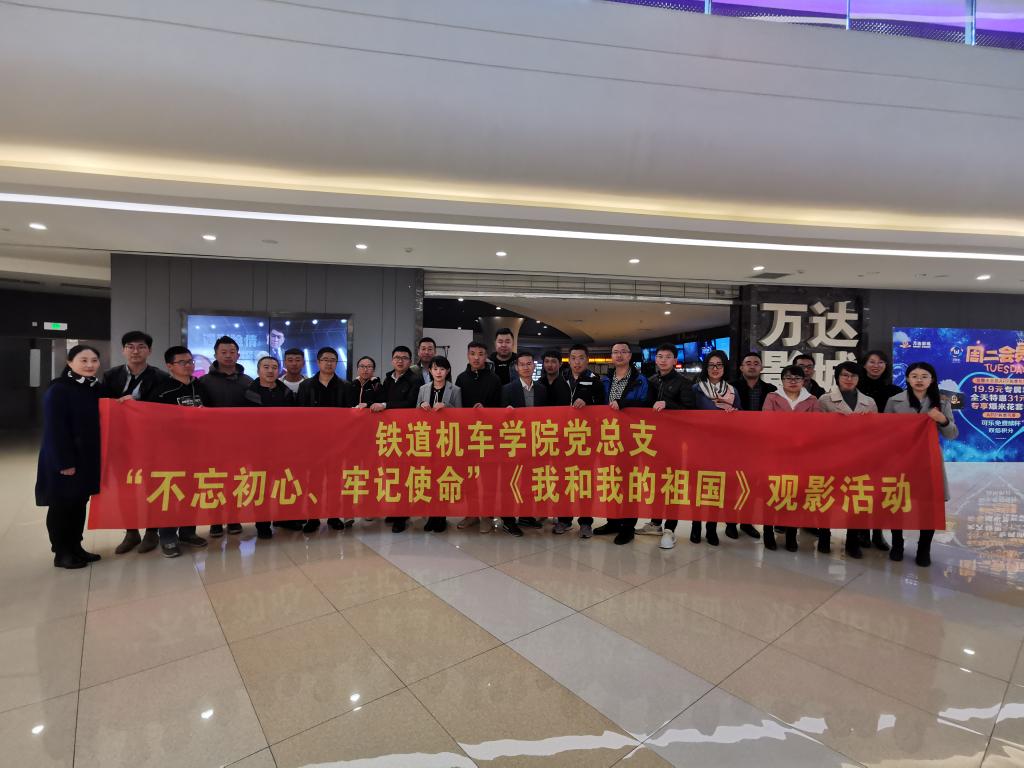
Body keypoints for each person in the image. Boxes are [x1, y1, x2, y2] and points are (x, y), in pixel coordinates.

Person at [36, 345, 105, 569]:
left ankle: (76, 546)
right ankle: (61, 552)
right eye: (83, 360)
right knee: (61, 505)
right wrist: (64, 462)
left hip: (86, 459)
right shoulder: (59, 389)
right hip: (63, 459)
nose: (90, 365)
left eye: (94, 360)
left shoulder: (94, 387)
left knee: (78, 503)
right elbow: (54, 429)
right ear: (69, 362)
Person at [101, 330, 170, 555]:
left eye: (141, 347)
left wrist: (137, 404)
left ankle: (152, 532)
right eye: (130, 346)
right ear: (123, 350)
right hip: (121, 441)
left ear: (149, 351)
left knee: (152, 486)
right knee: (125, 487)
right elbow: (104, 405)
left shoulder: (161, 377)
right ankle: (131, 532)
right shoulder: (111, 376)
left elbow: (162, 409)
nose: (135, 351)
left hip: (151, 442)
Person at [884, 362, 958, 567]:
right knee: (898, 501)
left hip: (928, 460)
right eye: (914, 376)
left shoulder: (941, 403)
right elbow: (884, 432)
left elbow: (952, 434)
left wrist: (942, 420)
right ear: (907, 379)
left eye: (924, 376)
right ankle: (897, 545)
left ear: (932, 380)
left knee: (928, 504)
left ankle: (924, 549)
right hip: (901, 459)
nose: (919, 380)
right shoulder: (894, 401)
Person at [147, 347, 209, 557]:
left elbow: (214, 415)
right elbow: (152, 421)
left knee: (192, 492)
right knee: (170, 493)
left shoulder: (201, 387)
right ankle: (167, 537)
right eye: (182, 362)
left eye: (190, 361)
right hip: (170, 452)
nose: (188, 365)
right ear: (170, 366)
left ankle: (188, 532)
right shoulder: (161, 391)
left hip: (197, 450)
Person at [634, 343, 697, 549]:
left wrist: (668, 405)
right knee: (656, 484)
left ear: (675, 360)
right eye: (660, 356)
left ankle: (670, 528)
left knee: (671, 485)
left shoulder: (684, 383)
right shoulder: (651, 380)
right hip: (652, 442)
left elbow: (690, 412)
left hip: (674, 444)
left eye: (668, 357)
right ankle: (655, 523)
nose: (663, 360)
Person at [816, 361, 877, 559]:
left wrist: (866, 422)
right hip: (831, 457)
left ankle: (852, 540)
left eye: (853, 376)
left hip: (859, 458)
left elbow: (877, 433)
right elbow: (815, 430)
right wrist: (833, 422)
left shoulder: (869, 402)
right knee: (827, 497)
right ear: (838, 377)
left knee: (854, 498)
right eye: (845, 375)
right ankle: (824, 536)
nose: (849, 379)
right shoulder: (825, 400)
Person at [594, 342, 650, 545]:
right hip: (609, 437)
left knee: (628, 483)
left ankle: (628, 527)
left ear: (630, 356)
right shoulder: (605, 380)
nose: (619, 355)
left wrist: (623, 403)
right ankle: (613, 521)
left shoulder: (640, 380)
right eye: (615, 352)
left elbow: (645, 404)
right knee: (610, 479)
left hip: (631, 439)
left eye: (623, 352)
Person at [687, 350, 745, 546]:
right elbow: (687, 416)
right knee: (697, 488)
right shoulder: (696, 389)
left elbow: (741, 418)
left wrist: (734, 413)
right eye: (711, 365)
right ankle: (696, 527)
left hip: (722, 448)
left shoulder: (732, 391)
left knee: (715, 487)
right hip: (699, 446)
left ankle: (711, 528)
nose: (715, 368)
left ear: (724, 367)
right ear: (706, 367)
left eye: (719, 365)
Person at [761, 365, 819, 552]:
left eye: (797, 378)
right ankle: (768, 532)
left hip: (801, 456)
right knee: (772, 493)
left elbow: (816, 427)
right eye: (788, 378)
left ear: (804, 381)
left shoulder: (812, 400)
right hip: (775, 454)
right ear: (782, 380)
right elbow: (767, 423)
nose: (793, 381)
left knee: (794, 494)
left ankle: (792, 534)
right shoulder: (772, 397)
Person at [201, 336, 255, 537]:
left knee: (235, 481)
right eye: (223, 352)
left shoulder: (248, 381)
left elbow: (256, 413)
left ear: (238, 355)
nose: (228, 356)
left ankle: (233, 518)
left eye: (232, 352)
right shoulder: (204, 382)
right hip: (212, 443)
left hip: (239, 443)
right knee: (214, 481)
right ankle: (215, 521)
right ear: (215, 355)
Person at [851, 349, 903, 552]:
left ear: (886, 366)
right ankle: (861, 530)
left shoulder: (895, 391)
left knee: (881, 490)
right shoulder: (854, 387)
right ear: (864, 364)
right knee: (861, 488)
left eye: (881, 362)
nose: (876, 365)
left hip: (885, 448)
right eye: (872, 362)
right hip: (859, 448)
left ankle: (878, 532)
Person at [553, 344, 606, 538]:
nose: (577, 362)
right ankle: (564, 519)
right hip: (562, 440)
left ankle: (585, 522)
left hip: (585, 440)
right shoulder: (560, 380)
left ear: (587, 360)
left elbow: (603, 408)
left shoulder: (596, 381)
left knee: (585, 481)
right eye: (573, 358)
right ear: (569, 360)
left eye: (581, 358)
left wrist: (588, 403)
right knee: (563, 480)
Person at [297, 347, 350, 532]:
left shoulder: (345, 386)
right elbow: (299, 415)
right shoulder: (306, 386)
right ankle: (313, 517)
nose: (329, 363)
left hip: (337, 443)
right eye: (325, 359)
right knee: (314, 481)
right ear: (318, 362)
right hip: (313, 443)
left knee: (335, 480)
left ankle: (334, 516)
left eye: (333, 360)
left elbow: (349, 415)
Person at [245, 356, 297, 537]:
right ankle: (262, 524)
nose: (270, 370)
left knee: (284, 483)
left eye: (274, 367)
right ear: (258, 370)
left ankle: (284, 518)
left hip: (283, 447)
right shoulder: (249, 393)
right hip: (258, 448)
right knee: (262, 486)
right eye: (266, 367)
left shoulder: (286, 392)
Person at [499, 351, 549, 536]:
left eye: (529, 364)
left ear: (534, 366)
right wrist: (505, 412)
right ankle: (508, 520)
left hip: (534, 443)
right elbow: (499, 418)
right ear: (516, 367)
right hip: (514, 443)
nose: (526, 367)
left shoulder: (542, 389)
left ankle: (526, 516)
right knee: (511, 482)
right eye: (522, 364)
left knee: (529, 482)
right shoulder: (507, 389)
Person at [454, 342, 503, 532]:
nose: (476, 357)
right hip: (467, 436)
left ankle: (487, 516)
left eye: (481, 354)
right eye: (473, 353)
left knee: (488, 478)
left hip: (489, 436)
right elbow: (456, 407)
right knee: (469, 477)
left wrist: (486, 410)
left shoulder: (494, 379)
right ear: (467, 355)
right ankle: (472, 514)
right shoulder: (461, 378)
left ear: (486, 356)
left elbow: (500, 407)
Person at [372, 346, 420, 532]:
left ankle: (402, 514)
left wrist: (385, 405)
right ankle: (396, 509)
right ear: (392, 360)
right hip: (389, 433)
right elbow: (378, 399)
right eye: (397, 357)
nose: (400, 361)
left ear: (410, 361)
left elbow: (410, 403)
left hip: (406, 433)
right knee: (391, 473)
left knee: (404, 474)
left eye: (404, 358)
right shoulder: (387, 379)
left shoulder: (415, 380)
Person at [415, 356, 462, 533]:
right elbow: (415, 413)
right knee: (429, 477)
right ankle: (431, 515)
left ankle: (441, 516)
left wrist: (447, 406)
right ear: (430, 371)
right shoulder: (423, 389)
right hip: (427, 438)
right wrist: (421, 404)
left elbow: (461, 415)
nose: (439, 372)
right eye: (435, 369)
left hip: (446, 439)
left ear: (447, 371)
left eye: (442, 369)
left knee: (444, 477)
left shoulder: (455, 390)